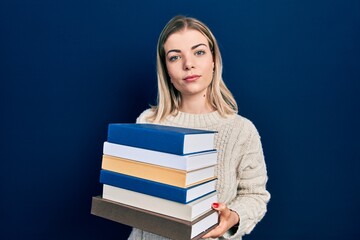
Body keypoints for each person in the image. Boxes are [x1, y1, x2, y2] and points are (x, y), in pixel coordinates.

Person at [128, 15, 270, 240]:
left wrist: (233, 217)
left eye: (199, 52)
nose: (189, 64)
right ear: (166, 69)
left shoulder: (242, 130)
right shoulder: (148, 123)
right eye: (175, 57)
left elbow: (254, 195)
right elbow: (133, 195)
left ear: (214, 60)